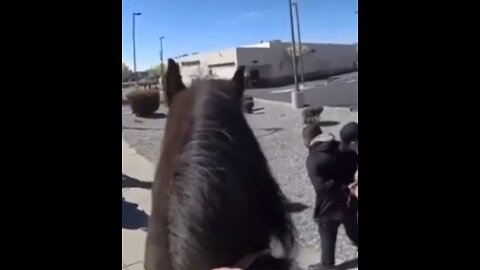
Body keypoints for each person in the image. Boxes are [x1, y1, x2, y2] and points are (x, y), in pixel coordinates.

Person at [305, 125, 358, 270]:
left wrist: (341, 186)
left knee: (327, 231)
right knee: (352, 227)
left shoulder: (313, 160)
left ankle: (327, 264)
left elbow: (320, 187)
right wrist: (348, 186)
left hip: (329, 205)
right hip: (350, 200)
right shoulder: (349, 152)